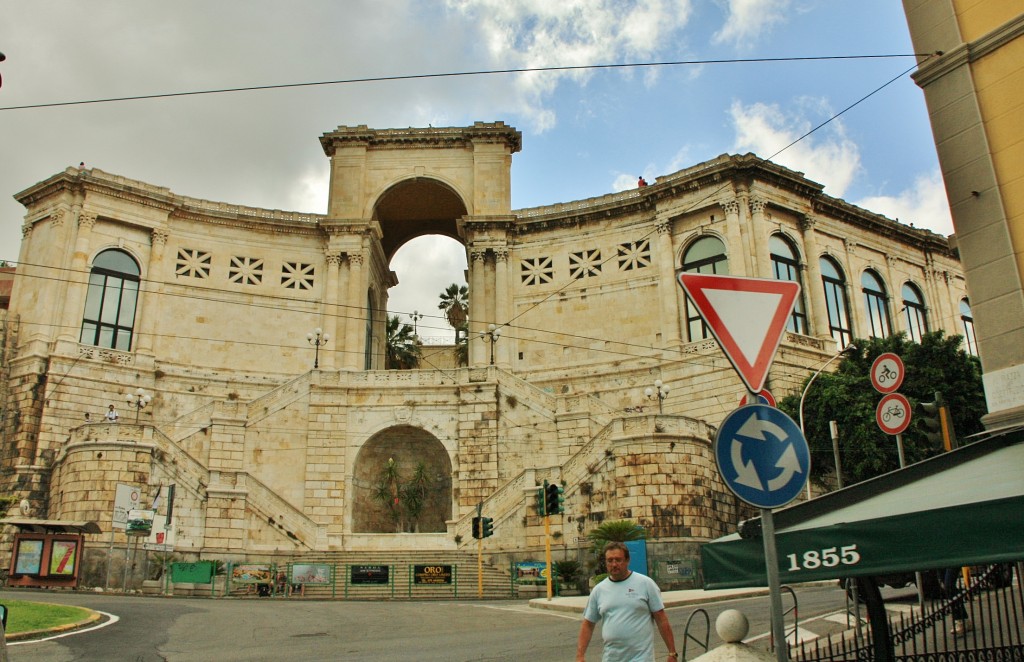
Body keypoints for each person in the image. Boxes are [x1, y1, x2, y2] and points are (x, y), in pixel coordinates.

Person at [577, 541, 677, 662]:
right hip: (611, 658)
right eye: (610, 560)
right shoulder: (599, 590)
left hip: (641, 658)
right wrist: (580, 655)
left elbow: (661, 619)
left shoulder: (646, 584)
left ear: (627, 560)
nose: (614, 564)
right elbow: (588, 624)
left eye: (618, 560)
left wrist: (672, 652)